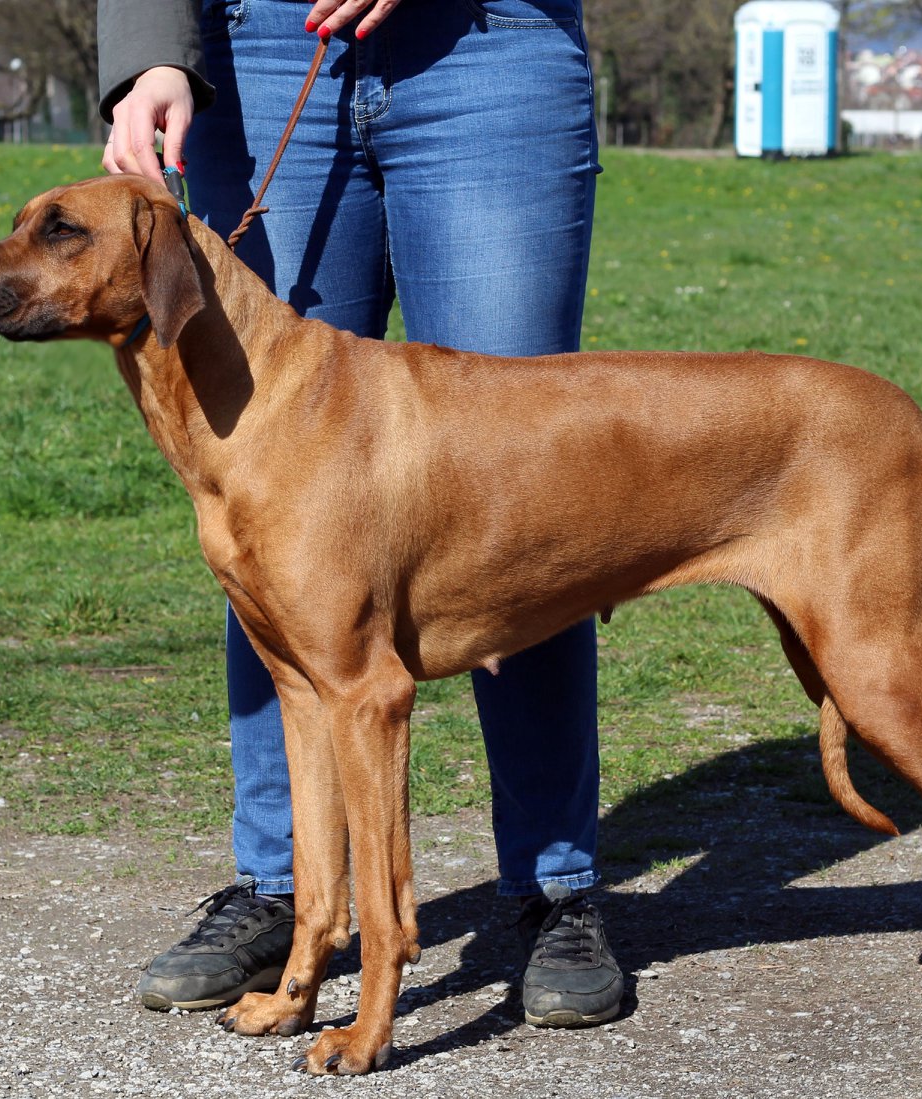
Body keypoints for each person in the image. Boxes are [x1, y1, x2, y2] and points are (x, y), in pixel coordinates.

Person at [96, 0, 622, 1030]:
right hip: (256, 52)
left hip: (490, 43)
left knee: (526, 497)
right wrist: (151, 55)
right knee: (281, 514)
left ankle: (551, 887)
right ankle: (286, 890)